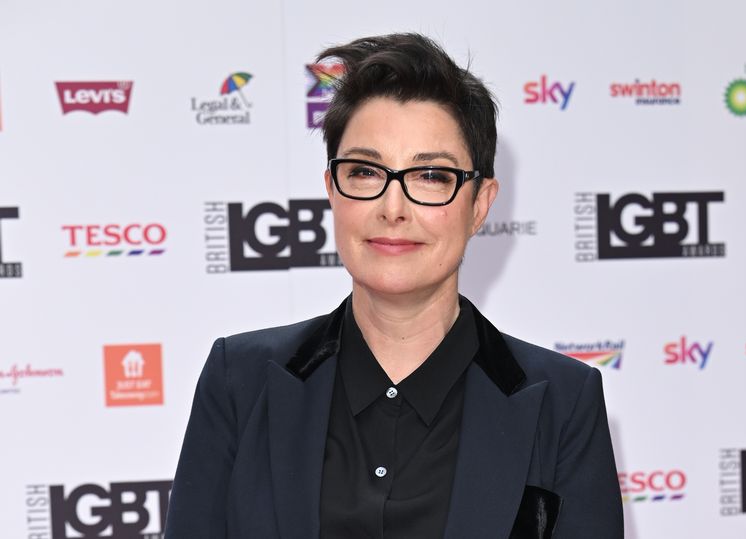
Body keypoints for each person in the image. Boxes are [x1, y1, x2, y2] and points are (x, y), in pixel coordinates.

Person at [165, 33, 623, 539]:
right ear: (332, 191)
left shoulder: (564, 402)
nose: (393, 208)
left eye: (430, 175)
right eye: (365, 171)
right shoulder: (239, 381)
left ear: (480, 205)